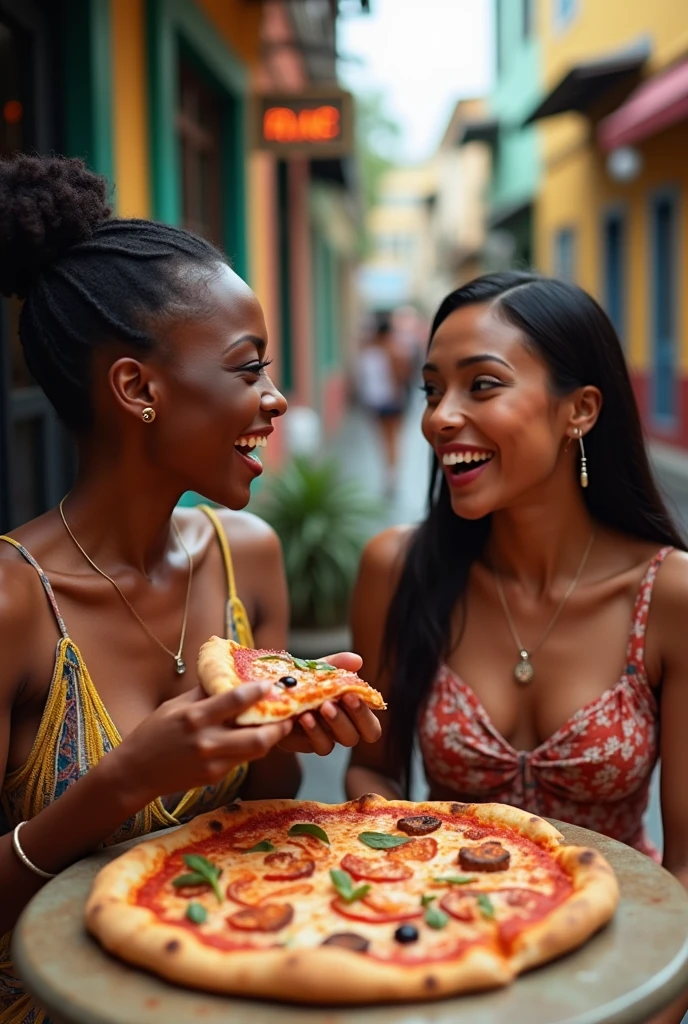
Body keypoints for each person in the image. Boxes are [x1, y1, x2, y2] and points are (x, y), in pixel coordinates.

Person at [0, 154, 380, 1022]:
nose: (276, 399)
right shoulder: (15, 605)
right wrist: (122, 779)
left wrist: (285, 730)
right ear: (138, 388)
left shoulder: (248, 556)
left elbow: (265, 820)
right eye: (249, 369)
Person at [346, 272, 688, 1022]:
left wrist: (650, 1008)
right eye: (433, 389)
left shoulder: (668, 597)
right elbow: (374, 764)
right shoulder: (396, 571)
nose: (441, 417)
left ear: (580, 410)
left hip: (619, 970)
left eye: (482, 385)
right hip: (440, 966)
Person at [355, 315, 408, 496]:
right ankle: (392, 474)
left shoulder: (369, 351)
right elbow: (401, 377)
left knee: (383, 438)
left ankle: (388, 472)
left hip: (375, 401)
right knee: (393, 438)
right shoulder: (394, 350)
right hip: (392, 400)